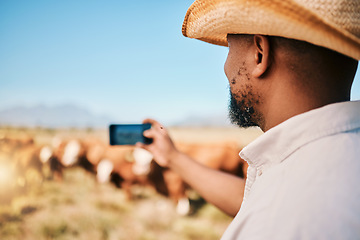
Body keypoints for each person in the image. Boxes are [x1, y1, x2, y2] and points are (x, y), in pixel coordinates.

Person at [138, 0, 360, 239]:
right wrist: (173, 157)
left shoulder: (284, 222)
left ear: (259, 53)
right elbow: (253, 200)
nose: (226, 67)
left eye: (229, 48)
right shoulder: (330, 171)